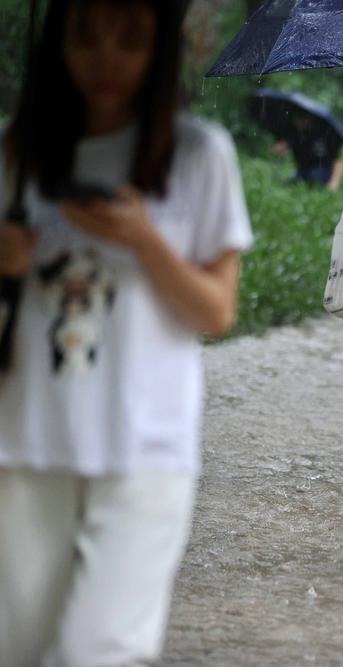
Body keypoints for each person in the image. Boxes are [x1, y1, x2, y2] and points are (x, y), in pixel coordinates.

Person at [0, 1, 253, 664]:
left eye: (131, 38)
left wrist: (145, 240)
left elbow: (216, 311)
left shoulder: (199, 155)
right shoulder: (16, 151)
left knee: (97, 652)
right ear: (58, 42)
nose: (106, 58)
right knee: (18, 648)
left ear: (161, 48)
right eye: (86, 35)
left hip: (146, 447)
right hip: (25, 442)